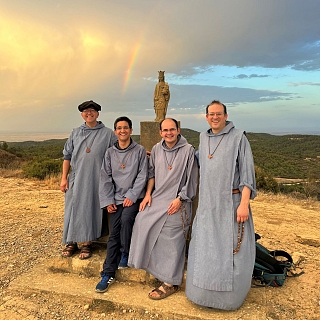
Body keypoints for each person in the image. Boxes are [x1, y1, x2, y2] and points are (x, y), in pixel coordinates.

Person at [185, 100, 257, 310]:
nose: (215, 117)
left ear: (226, 115)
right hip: (208, 205)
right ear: (206, 117)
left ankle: (229, 300)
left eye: (219, 114)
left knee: (230, 251)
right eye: (211, 114)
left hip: (231, 204)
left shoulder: (239, 138)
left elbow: (247, 175)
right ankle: (199, 293)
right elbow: (201, 159)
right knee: (205, 249)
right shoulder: (203, 137)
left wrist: (244, 204)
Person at [128, 118, 198, 300]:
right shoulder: (157, 149)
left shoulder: (188, 150)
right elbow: (151, 174)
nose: (169, 133)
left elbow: (192, 180)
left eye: (172, 130)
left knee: (171, 229)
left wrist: (180, 199)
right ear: (160, 132)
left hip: (179, 199)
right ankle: (151, 266)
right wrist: (148, 194)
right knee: (142, 219)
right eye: (165, 130)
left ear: (178, 130)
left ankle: (170, 282)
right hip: (158, 197)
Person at [95, 116, 148, 293]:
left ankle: (125, 252)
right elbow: (105, 178)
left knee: (126, 219)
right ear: (115, 131)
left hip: (133, 197)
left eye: (126, 127)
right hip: (116, 198)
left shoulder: (139, 150)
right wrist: (108, 200)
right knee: (113, 234)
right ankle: (107, 273)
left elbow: (142, 175)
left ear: (131, 130)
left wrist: (132, 196)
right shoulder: (110, 153)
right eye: (119, 128)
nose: (122, 131)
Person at [60, 100, 117, 259]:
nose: (89, 113)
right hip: (76, 178)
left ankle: (87, 243)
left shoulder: (107, 133)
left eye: (92, 110)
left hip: (96, 179)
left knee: (90, 210)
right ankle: (71, 242)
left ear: (98, 113)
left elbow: (120, 149)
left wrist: (140, 151)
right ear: (82, 114)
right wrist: (64, 178)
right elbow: (67, 156)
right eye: (86, 111)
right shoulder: (76, 132)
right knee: (72, 209)